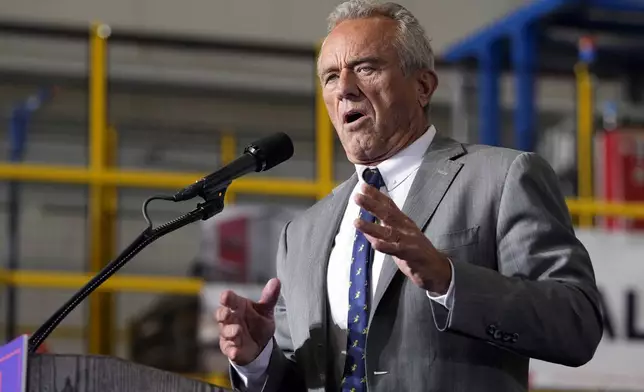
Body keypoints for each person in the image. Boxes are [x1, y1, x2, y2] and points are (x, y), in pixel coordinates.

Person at [215, 1, 604, 391]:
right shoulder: (301, 235)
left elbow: (576, 324)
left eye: (365, 68)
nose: (345, 88)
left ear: (422, 87)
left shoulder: (501, 179)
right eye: (330, 77)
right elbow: (302, 379)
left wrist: (447, 279)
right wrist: (258, 361)